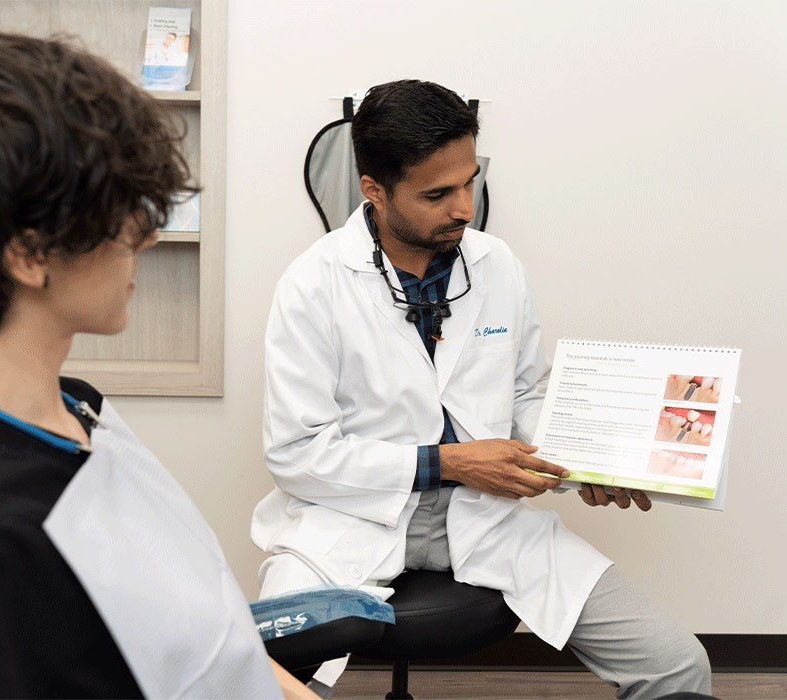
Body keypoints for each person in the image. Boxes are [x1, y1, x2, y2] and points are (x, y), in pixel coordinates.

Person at [0, 29, 316, 700]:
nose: (147, 237)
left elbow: (209, 636)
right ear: (30, 251)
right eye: (122, 212)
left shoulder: (72, 409)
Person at [251, 79, 711, 699]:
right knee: (252, 684)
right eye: (438, 193)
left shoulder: (496, 266)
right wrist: (446, 462)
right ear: (374, 191)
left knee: (676, 664)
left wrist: (591, 461)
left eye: (470, 181)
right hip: (347, 523)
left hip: (486, 523)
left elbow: (526, 396)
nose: (464, 207)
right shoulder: (313, 284)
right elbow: (296, 454)